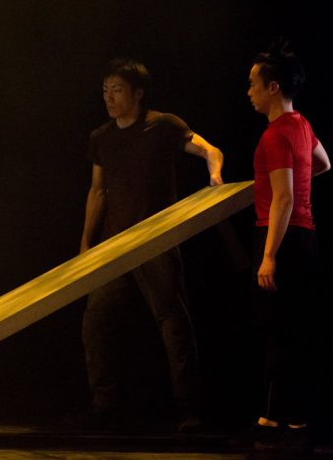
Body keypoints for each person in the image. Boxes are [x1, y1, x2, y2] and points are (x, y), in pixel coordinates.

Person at [80, 58, 223, 432]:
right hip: (115, 244)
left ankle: (189, 410)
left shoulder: (163, 125)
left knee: (173, 323)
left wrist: (215, 176)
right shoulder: (101, 137)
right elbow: (97, 191)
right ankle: (103, 405)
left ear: (138, 93)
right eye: (105, 90)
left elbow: (210, 150)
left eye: (117, 90)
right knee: (96, 320)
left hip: (156, 240)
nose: (109, 97)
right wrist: (85, 245)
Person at [243, 42, 330, 450]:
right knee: (286, 332)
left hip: (281, 237)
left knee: (279, 333)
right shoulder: (302, 125)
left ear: (273, 87)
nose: (249, 91)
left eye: (253, 84)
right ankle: (279, 420)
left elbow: (284, 198)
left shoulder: (276, 135)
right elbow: (323, 163)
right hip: (303, 237)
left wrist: (268, 256)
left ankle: (286, 424)